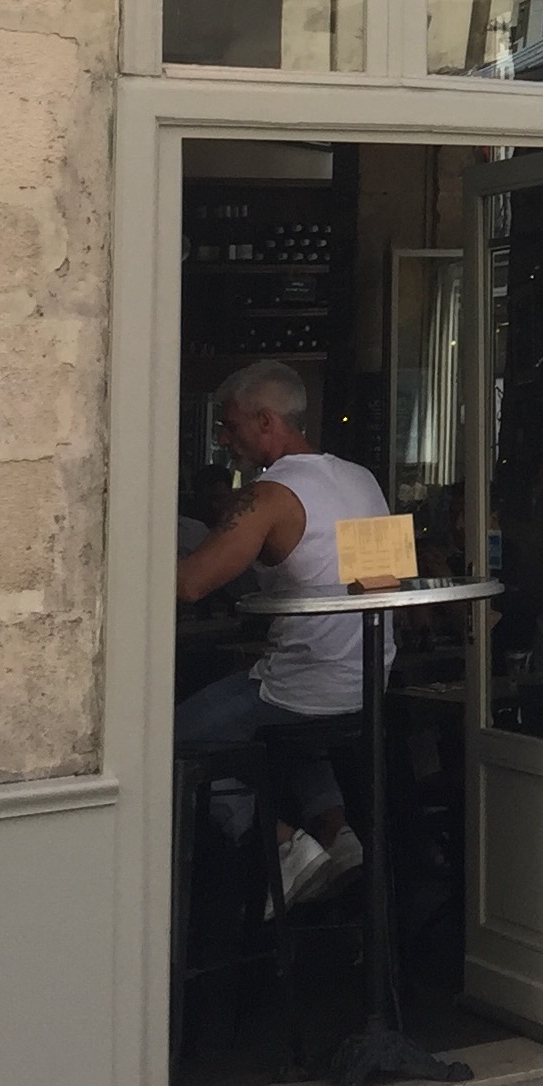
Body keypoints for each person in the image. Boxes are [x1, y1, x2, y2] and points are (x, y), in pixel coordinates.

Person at [174, 360, 392, 907]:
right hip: (367, 683)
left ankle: (284, 843)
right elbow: (384, 589)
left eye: (230, 427)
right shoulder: (362, 479)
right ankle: (335, 835)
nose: (224, 441)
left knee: (162, 745)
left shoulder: (269, 495)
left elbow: (190, 584)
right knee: (298, 741)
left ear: (266, 420)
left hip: (301, 690)